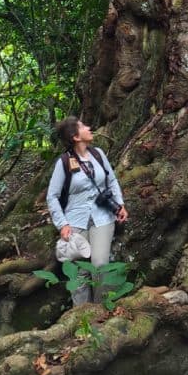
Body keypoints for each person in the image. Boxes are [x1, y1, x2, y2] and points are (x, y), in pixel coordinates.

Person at [47, 116, 128, 305]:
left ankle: (100, 310)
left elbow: (112, 180)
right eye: (83, 126)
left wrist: (120, 204)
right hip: (75, 220)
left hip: (103, 217)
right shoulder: (64, 162)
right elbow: (52, 196)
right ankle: (82, 316)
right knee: (78, 272)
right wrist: (62, 224)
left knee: (100, 265)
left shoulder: (98, 154)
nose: (89, 127)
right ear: (75, 136)